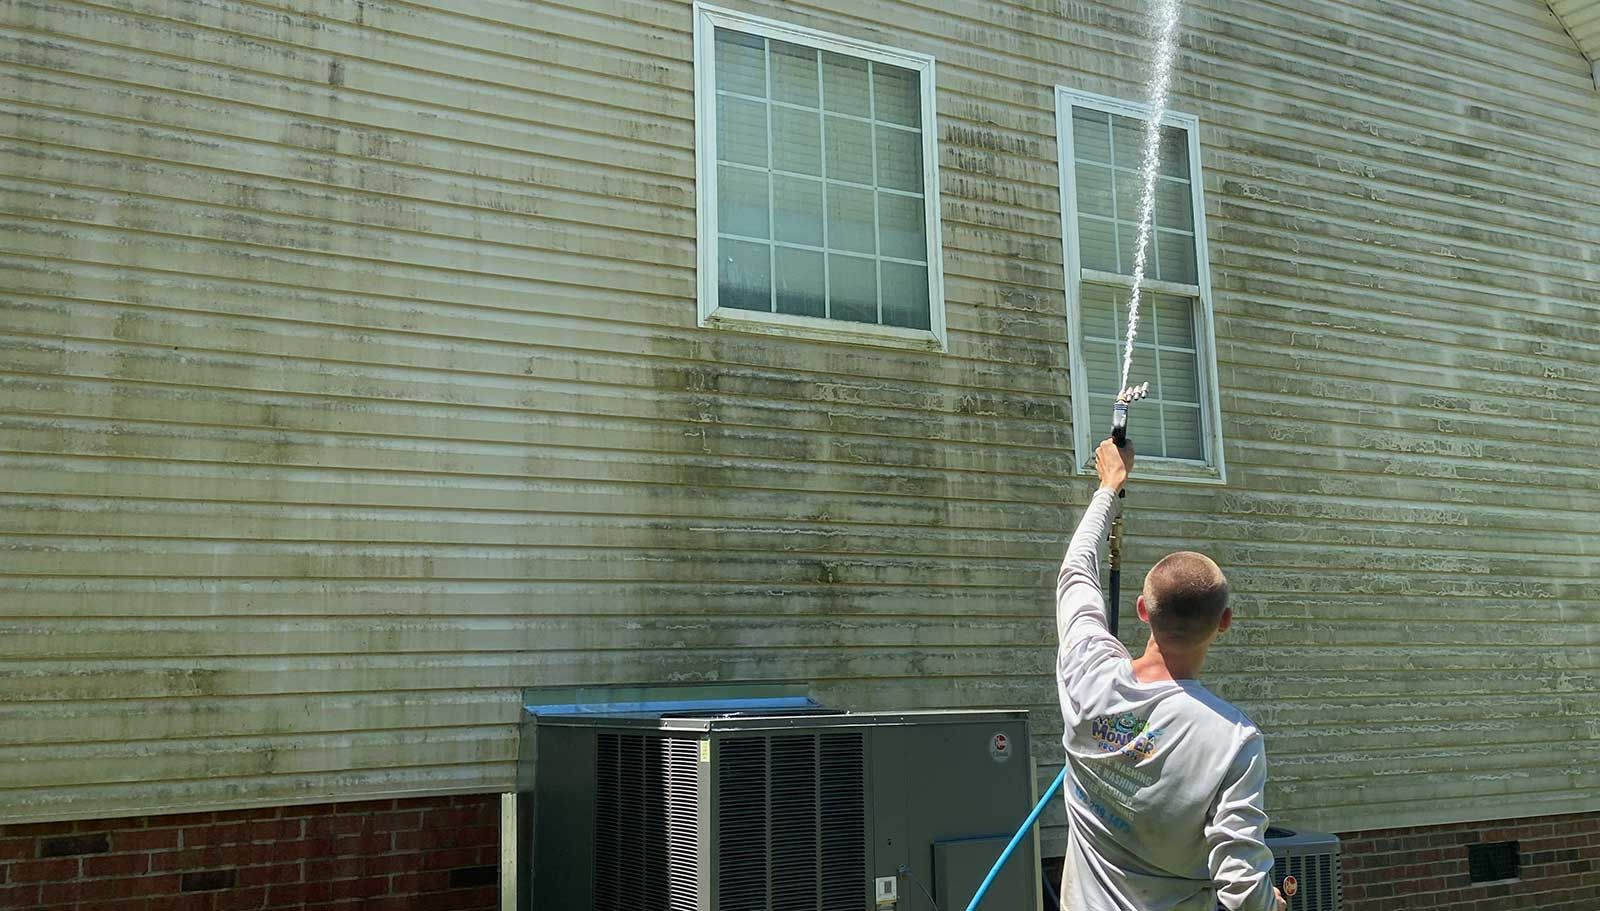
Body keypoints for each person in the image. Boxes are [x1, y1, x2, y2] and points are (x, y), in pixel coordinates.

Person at [1055, 438, 1285, 911]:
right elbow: (1241, 889)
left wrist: (1109, 486)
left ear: (1142, 610)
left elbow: (1076, 572)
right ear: (1224, 622)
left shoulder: (1088, 677)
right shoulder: (1233, 741)